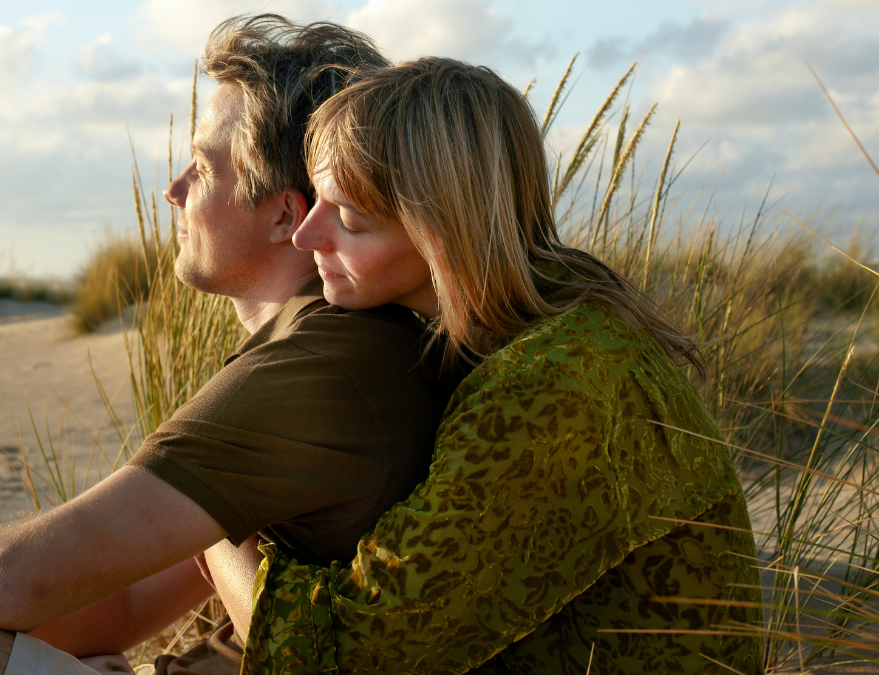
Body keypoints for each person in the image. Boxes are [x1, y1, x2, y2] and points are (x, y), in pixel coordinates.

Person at [0, 17, 464, 675]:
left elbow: (11, 581)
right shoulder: (325, 346)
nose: (174, 189)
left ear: (284, 215)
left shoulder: (321, 366)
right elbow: (124, 605)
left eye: (202, 167)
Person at [209, 58, 764, 674]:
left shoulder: (549, 387)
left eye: (349, 218)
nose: (306, 236)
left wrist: (213, 515)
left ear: (443, 230)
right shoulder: (562, 326)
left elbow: (347, 656)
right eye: (316, 202)